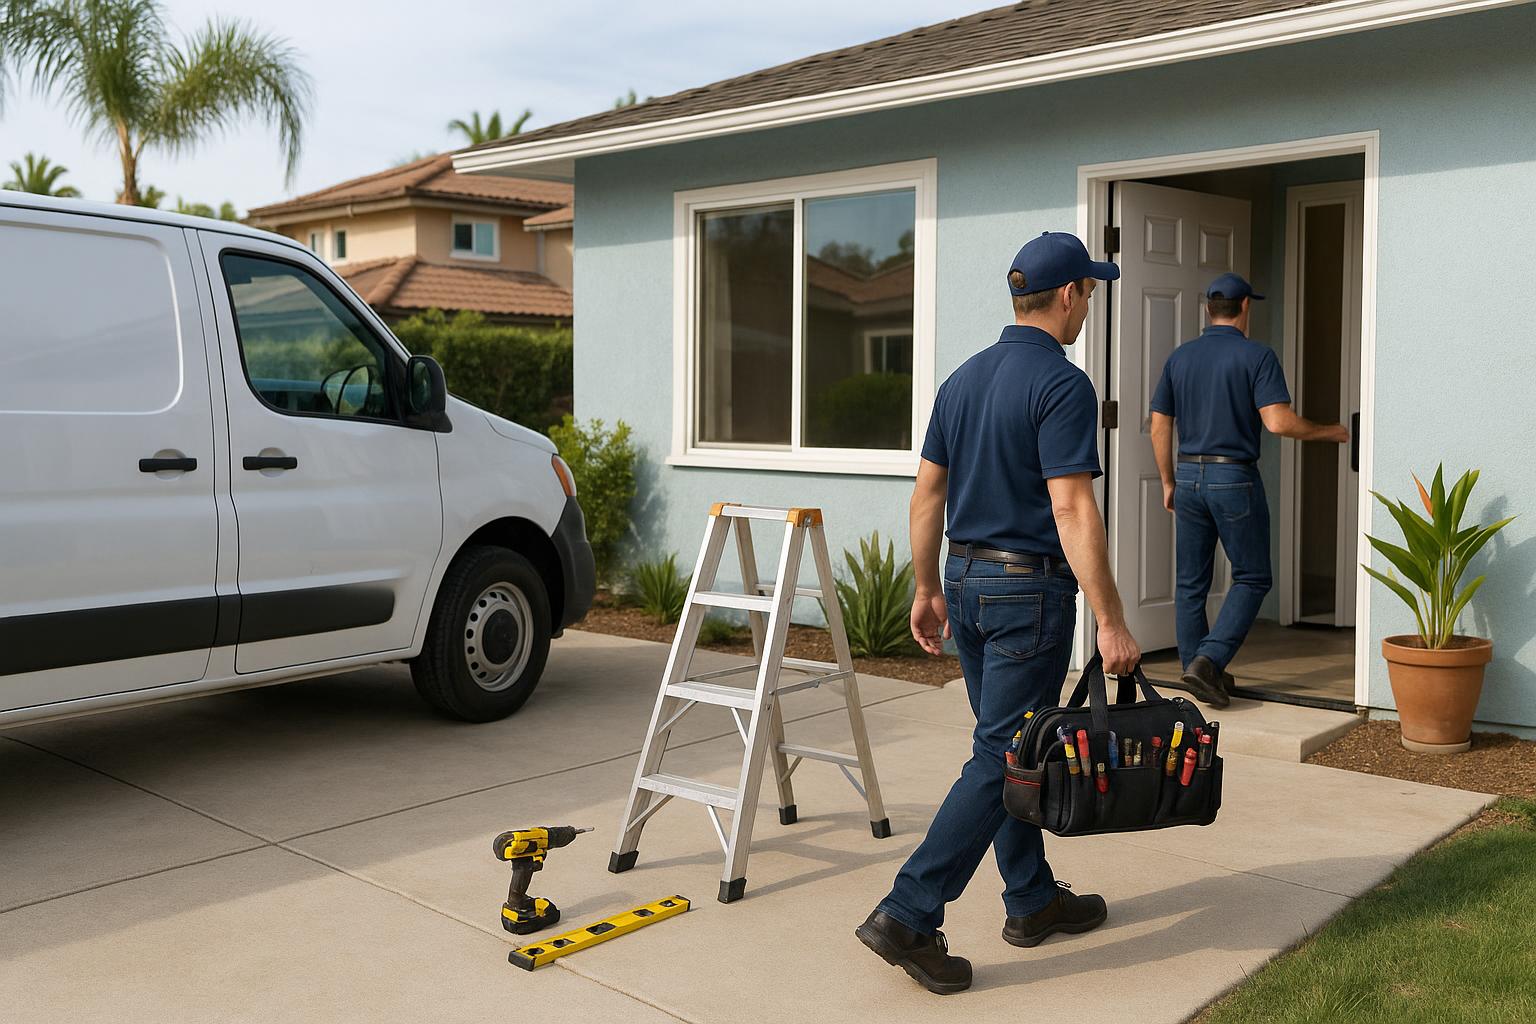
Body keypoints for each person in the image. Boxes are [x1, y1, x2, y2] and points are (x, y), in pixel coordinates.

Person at [855, 232, 1141, 995]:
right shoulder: (1062, 384)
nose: (1090, 305)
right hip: (1027, 595)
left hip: (969, 582)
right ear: (1071, 293)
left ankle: (1031, 898)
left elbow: (926, 496)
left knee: (1008, 747)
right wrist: (1110, 620)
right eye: (1091, 290)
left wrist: (925, 588)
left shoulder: (963, 379)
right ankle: (909, 911)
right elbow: (1072, 506)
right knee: (1000, 756)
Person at [1148, 273, 1349, 707]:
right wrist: (1332, 432)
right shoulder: (1256, 355)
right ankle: (1209, 660)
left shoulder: (1180, 358)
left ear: (1208, 309)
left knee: (1190, 584)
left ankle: (1198, 672)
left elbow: (1159, 425)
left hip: (1188, 475)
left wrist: (1168, 480)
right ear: (1245, 307)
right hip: (1232, 476)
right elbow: (1278, 421)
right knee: (1254, 576)